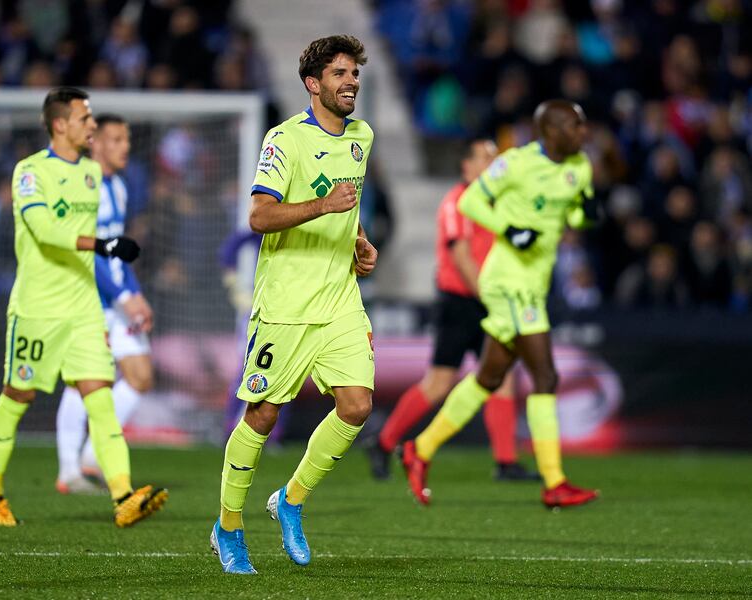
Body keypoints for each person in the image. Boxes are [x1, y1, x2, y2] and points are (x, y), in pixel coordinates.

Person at [210, 35, 379, 575]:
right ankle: (228, 527)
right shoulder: (284, 139)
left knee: (357, 406)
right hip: (285, 304)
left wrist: (360, 241)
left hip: (340, 299)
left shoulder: (362, 136)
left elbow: (348, 208)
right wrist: (323, 205)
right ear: (313, 83)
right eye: (339, 74)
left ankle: (290, 499)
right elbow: (260, 216)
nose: (351, 82)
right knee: (262, 415)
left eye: (354, 73)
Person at [0, 87, 167, 528]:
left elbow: (87, 241)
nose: (92, 125)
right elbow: (44, 231)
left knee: (100, 395)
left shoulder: (92, 175)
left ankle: (123, 496)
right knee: (17, 397)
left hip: (83, 308)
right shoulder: (30, 172)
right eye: (84, 118)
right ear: (60, 124)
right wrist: (103, 244)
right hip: (39, 308)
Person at [401, 100, 600, 509]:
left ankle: (420, 449)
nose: (583, 132)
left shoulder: (580, 166)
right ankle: (554, 482)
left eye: (583, 125)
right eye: (574, 125)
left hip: (535, 283)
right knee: (545, 375)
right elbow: (471, 202)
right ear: (551, 131)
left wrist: (587, 214)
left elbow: (576, 216)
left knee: (489, 378)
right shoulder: (517, 164)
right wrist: (509, 229)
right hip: (508, 281)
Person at [368, 140, 538, 483]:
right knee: (439, 383)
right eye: (485, 158)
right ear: (466, 166)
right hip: (460, 303)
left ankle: (506, 462)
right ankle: (383, 443)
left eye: (495, 158)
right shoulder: (457, 202)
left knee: (502, 377)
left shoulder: (497, 201)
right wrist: (492, 299)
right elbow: (462, 258)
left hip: (486, 300)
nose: (492, 163)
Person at [55, 114, 156, 495]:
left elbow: (115, 250)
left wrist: (134, 293)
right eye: (115, 139)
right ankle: (69, 470)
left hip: (116, 297)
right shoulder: (81, 185)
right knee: (84, 381)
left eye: (126, 139)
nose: (124, 147)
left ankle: (91, 456)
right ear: (94, 143)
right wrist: (122, 297)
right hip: (86, 300)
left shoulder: (119, 186)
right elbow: (85, 252)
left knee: (140, 375)